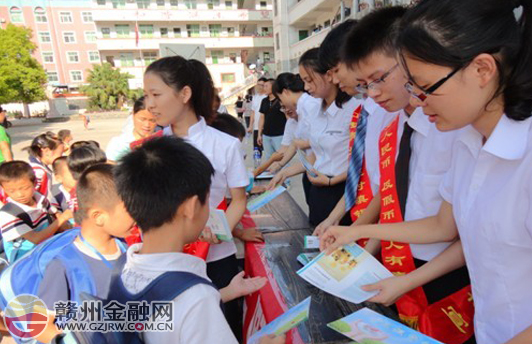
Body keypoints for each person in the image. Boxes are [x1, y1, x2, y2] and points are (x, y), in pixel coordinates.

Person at [321, 1, 532, 343]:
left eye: (426, 86)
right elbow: (444, 226)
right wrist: (354, 234)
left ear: (482, 70)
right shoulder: (467, 140)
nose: (417, 100)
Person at [115, 136, 282, 344]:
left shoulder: (123, 269)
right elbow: (187, 308)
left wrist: (225, 293)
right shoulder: (196, 299)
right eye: (207, 201)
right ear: (191, 207)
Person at [142, 56, 250, 340]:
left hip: (216, 257)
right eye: (145, 96)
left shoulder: (225, 144)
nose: (149, 104)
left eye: (156, 94)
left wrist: (220, 230)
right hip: (168, 260)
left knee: (223, 329)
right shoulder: (150, 148)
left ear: (185, 94)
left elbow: (238, 199)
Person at [269, 48, 362, 226]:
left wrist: (330, 181)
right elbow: (314, 154)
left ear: (329, 75)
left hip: (341, 191)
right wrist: (285, 172)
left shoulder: (353, 111)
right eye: (304, 81)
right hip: (318, 188)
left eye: (309, 80)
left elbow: (361, 165)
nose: (306, 87)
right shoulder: (315, 110)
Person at [0, 161, 71, 263]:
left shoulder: (39, 198)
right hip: (26, 258)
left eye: (25, 188)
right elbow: (36, 239)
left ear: (35, 183)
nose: (20, 194)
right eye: (11, 191)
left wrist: (68, 227)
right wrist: (63, 218)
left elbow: (55, 214)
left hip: (47, 245)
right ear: (3, 189)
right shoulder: (9, 213)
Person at [106, 97, 157, 162]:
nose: (147, 125)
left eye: (152, 120)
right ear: (133, 115)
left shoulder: (163, 142)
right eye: (142, 119)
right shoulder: (118, 144)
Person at [26, 133, 65, 198]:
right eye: (60, 153)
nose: (62, 155)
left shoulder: (38, 167)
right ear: (47, 151)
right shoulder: (38, 172)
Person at [257, 79, 287, 161]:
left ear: (273, 87)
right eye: (264, 86)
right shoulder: (264, 101)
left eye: (266, 86)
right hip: (266, 135)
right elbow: (262, 117)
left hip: (280, 135)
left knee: (282, 158)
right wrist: (259, 134)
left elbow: (288, 118)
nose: (264, 88)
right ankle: (272, 174)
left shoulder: (281, 100)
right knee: (269, 159)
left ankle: (283, 174)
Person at [249, 78, 268, 157]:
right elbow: (253, 112)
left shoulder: (267, 97)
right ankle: (257, 166)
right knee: (257, 149)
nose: (259, 87)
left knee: (267, 149)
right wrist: (250, 126)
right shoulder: (255, 97)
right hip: (256, 127)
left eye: (262, 85)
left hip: (265, 127)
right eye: (258, 84)